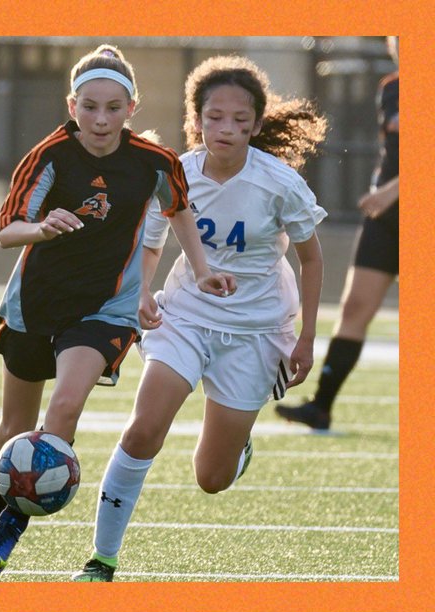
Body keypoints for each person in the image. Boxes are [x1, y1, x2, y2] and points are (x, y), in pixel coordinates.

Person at [0, 44, 235, 582]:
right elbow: (7, 230)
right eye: (90, 106)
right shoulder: (48, 155)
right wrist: (42, 228)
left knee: (66, 405)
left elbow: (179, 210)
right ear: (72, 105)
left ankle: (11, 529)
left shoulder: (153, 162)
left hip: (105, 309)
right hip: (35, 303)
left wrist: (202, 268)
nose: (101, 118)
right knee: (14, 429)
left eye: (113, 107)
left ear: (132, 108)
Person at [73, 57, 327, 582]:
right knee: (144, 428)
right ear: (197, 120)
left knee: (211, 478)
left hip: (257, 331)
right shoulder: (177, 173)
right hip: (186, 314)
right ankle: (101, 560)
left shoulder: (279, 184)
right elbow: (152, 242)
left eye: (239, 120)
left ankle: (238, 446)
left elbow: (312, 259)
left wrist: (306, 339)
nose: (226, 129)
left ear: (257, 124)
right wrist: (143, 294)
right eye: (214, 117)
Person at [277, 37, 398, 431]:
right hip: (386, 219)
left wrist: (391, 190)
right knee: (354, 308)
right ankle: (321, 407)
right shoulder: (391, 87)